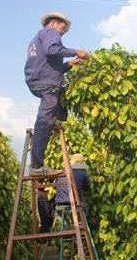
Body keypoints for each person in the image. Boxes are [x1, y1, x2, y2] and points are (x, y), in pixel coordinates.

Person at [25, 11, 90, 177]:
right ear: (54, 22)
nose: (62, 32)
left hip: (39, 80)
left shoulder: (38, 38)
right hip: (46, 84)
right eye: (63, 28)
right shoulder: (50, 32)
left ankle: (55, 120)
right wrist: (77, 51)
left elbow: (52, 67)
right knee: (43, 120)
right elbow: (53, 50)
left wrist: (69, 64)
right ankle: (37, 166)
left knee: (61, 92)